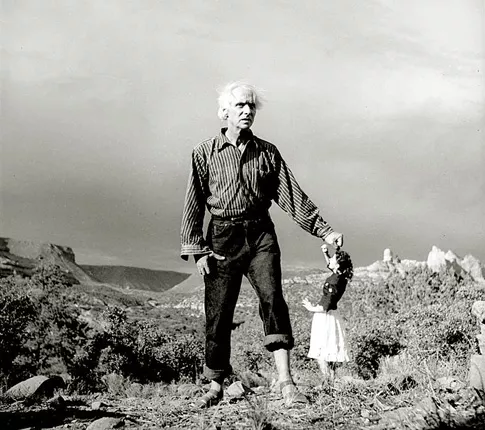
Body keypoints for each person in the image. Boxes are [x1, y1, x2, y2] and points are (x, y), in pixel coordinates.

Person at [180, 81, 344, 407]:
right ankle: (215, 384)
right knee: (218, 313)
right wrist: (196, 248)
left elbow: (291, 196)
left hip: (260, 236)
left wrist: (324, 230)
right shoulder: (204, 153)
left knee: (273, 300)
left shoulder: (267, 153)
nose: (247, 111)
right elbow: (193, 202)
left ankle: (286, 383)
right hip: (221, 240)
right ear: (224, 111)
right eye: (240, 105)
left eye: (251, 106)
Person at [302, 244, 353, 384]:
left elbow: (326, 306)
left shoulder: (334, 281)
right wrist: (326, 252)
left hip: (325, 317)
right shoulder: (341, 276)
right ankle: (332, 379)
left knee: (321, 351)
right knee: (329, 349)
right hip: (333, 316)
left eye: (333, 258)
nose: (330, 259)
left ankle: (327, 381)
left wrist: (310, 307)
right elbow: (330, 264)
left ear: (338, 264)